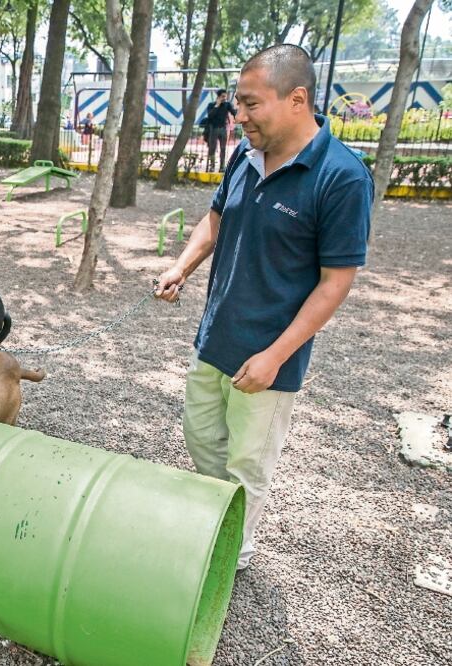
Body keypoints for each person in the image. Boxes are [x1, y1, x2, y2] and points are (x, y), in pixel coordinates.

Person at [155, 44, 372, 572]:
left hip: (269, 359)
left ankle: (232, 557)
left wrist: (276, 355)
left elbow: (334, 283)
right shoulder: (244, 155)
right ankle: (213, 523)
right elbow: (216, 220)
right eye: (237, 103)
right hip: (214, 339)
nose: (239, 115)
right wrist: (181, 266)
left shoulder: (342, 177)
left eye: (251, 104)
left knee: (248, 463)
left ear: (297, 99)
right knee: (201, 438)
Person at [204, 89, 237, 172]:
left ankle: (222, 167)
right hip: (213, 129)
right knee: (212, 148)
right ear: (218, 97)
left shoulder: (227, 105)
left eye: (225, 96)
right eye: (222, 96)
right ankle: (212, 166)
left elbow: (233, 112)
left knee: (223, 148)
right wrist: (217, 105)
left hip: (223, 129)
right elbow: (210, 116)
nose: (224, 98)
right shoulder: (211, 105)